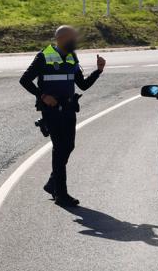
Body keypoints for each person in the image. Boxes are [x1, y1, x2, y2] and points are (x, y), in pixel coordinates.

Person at [20, 25, 105, 207]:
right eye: (72, 38)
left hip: (68, 108)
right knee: (59, 149)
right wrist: (42, 96)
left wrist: (98, 71)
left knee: (69, 146)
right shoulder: (44, 56)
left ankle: (53, 184)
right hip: (51, 110)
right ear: (61, 39)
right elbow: (24, 80)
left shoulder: (72, 57)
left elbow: (82, 85)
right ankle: (61, 194)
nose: (75, 41)